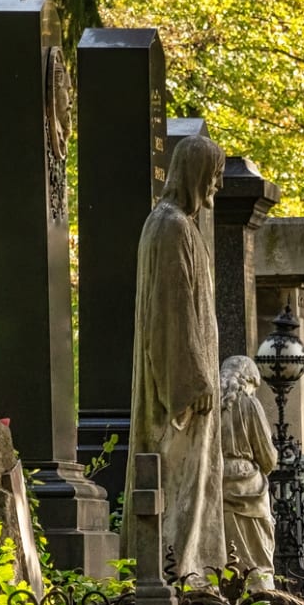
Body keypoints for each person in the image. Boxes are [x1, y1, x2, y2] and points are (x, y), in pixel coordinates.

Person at [124, 135, 226, 579]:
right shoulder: (171, 227)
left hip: (190, 388)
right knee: (179, 487)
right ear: (197, 174)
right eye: (215, 175)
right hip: (181, 398)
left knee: (193, 488)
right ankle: (176, 575)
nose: (218, 186)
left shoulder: (175, 223)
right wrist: (193, 381)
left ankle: (188, 572)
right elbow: (172, 310)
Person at [217, 355, 278, 588]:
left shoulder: (211, 406)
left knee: (226, 551)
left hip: (218, 481)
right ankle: (260, 600)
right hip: (249, 484)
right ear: (248, 380)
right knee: (257, 554)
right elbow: (267, 457)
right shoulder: (249, 404)